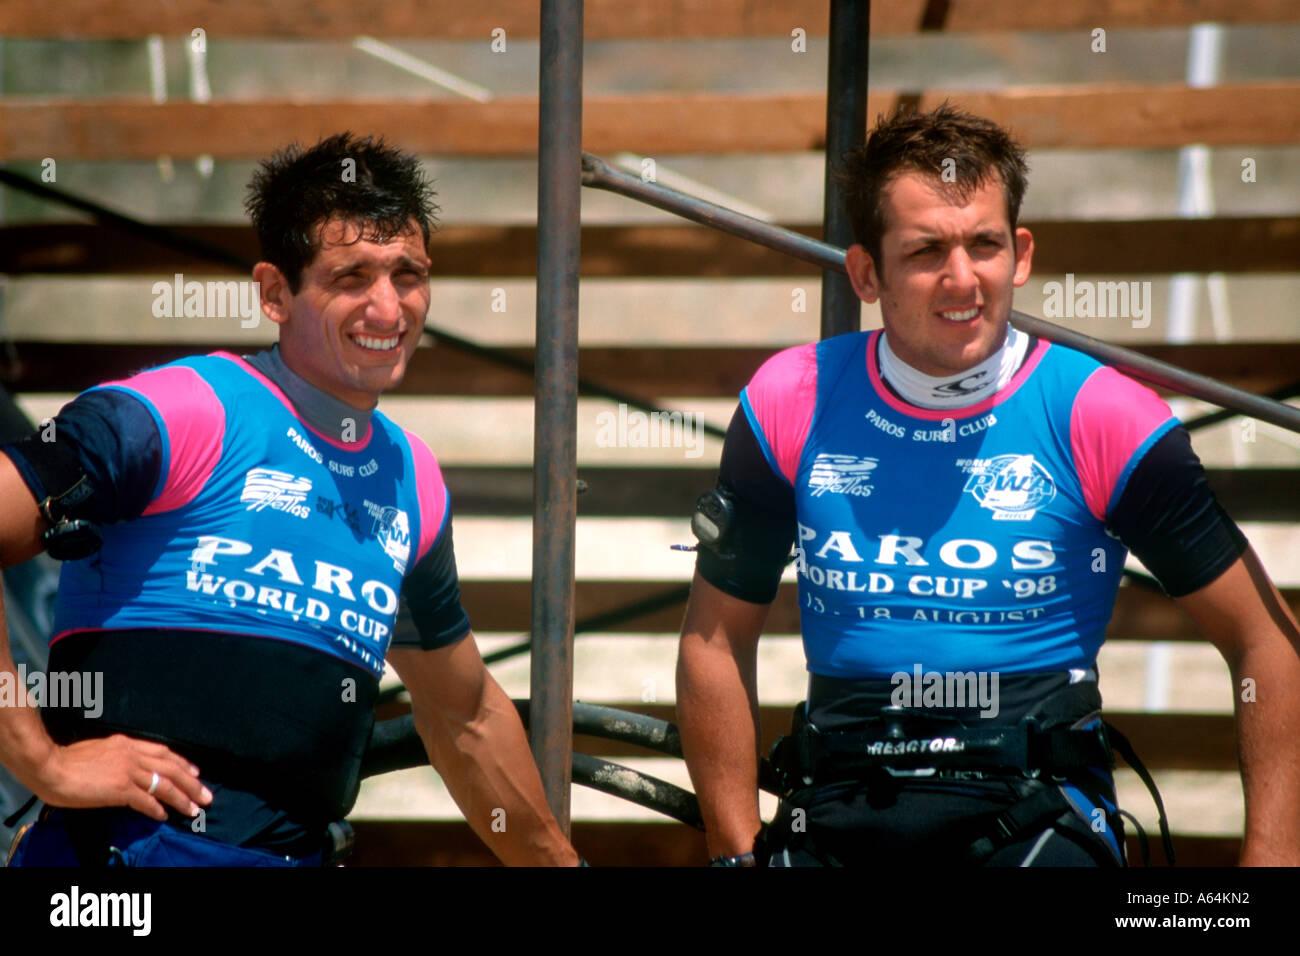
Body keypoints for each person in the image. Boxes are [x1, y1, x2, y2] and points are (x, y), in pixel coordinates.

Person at [675, 104, 1300, 867]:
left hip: (1034, 816)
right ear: (866, 273)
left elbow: (1267, 643)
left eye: (984, 245)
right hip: (837, 811)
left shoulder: (1103, 415)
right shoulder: (789, 400)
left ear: (1021, 253)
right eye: (926, 251)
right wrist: (735, 854)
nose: (962, 278)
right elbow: (715, 639)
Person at [0, 133, 579, 866]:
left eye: (408, 274)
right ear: (275, 293)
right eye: (352, 277)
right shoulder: (185, 410)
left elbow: (463, 715)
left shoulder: (412, 481)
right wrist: (43, 763)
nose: (388, 307)